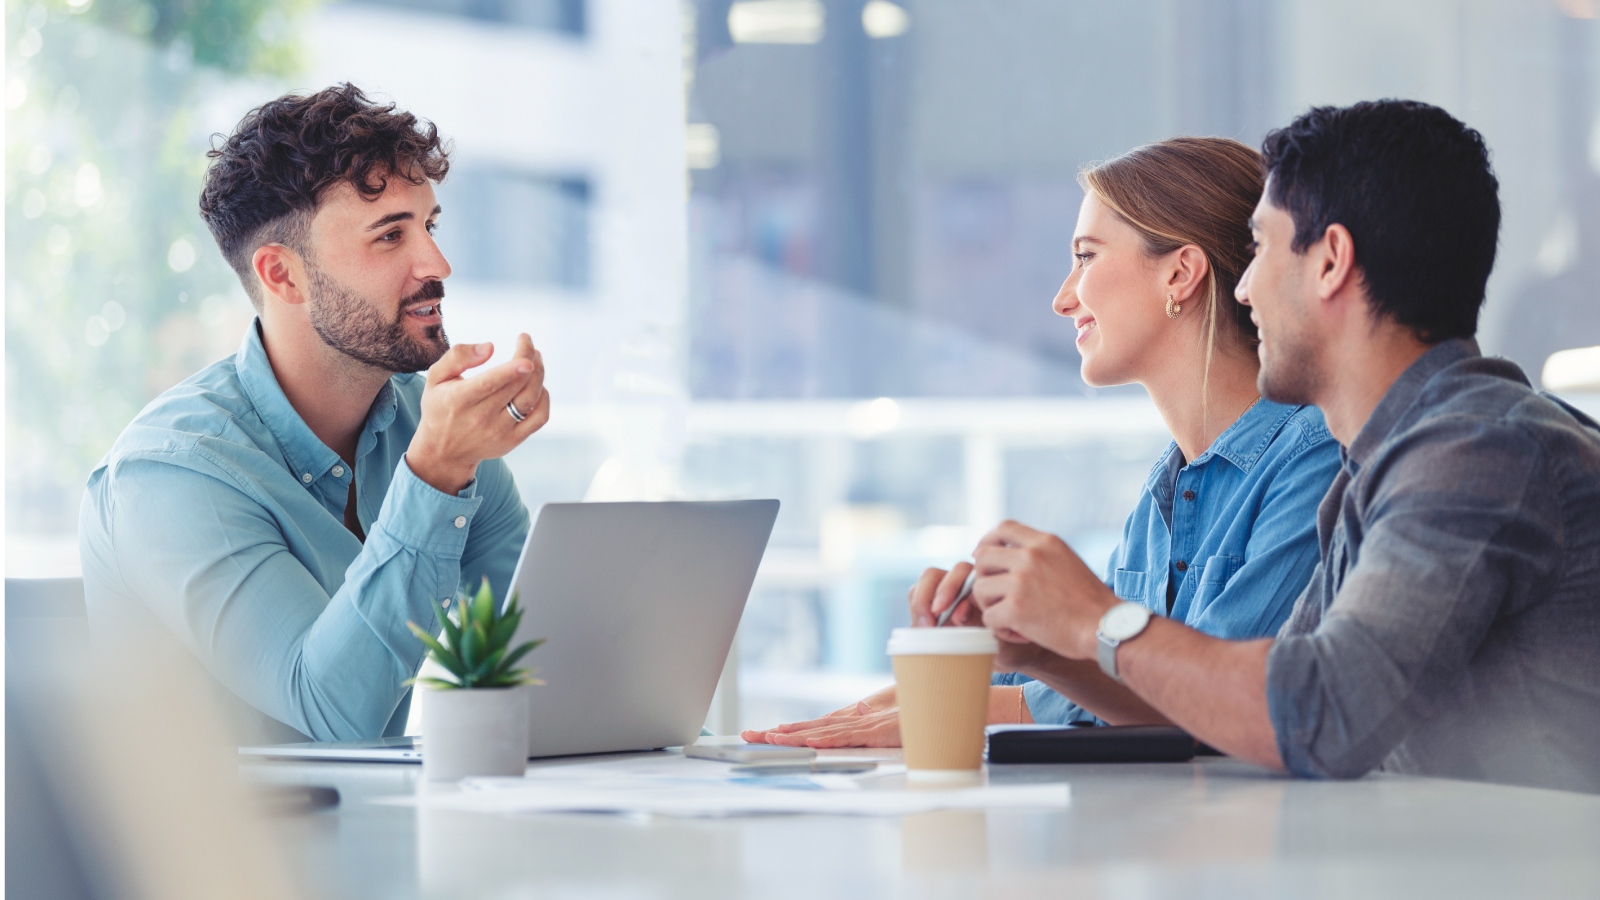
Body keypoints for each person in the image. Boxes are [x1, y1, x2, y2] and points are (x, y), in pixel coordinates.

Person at [965, 100, 1600, 794]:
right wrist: (1053, 648)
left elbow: (1324, 712)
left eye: (1261, 248)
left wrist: (1097, 619)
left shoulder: (1481, 450)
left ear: (1330, 263)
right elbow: (1241, 704)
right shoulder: (1379, 470)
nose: (1241, 285)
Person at [744, 137, 1342, 748]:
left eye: (1086, 257)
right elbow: (1144, 691)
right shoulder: (1166, 492)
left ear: (1180, 273)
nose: (1063, 299)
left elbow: (1217, 706)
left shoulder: (1313, 459)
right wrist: (1015, 653)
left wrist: (993, 696)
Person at [78, 84, 550, 744]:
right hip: (223, 845)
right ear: (282, 276)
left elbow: (543, 660)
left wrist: (691, 739)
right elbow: (331, 710)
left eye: (429, 226)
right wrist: (435, 476)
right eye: (390, 236)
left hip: (380, 833)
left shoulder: (431, 430)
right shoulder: (169, 474)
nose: (437, 264)